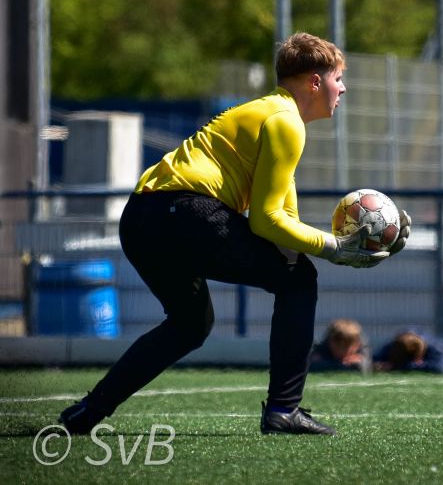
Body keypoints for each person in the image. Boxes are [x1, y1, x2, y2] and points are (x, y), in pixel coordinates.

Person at [58, 32, 412, 437]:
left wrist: (359, 247)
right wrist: (336, 248)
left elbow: (284, 224)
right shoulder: (286, 122)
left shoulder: (271, 113)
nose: (343, 88)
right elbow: (266, 222)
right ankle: (283, 410)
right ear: (315, 82)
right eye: (338, 78)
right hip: (184, 213)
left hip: (141, 218)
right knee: (298, 281)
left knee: (191, 325)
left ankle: (88, 411)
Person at [372, 330, 443, 374]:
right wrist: (377, 365)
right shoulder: (396, 345)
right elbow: (375, 359)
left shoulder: (437, 349)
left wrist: (402, 366)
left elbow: (441, 368)